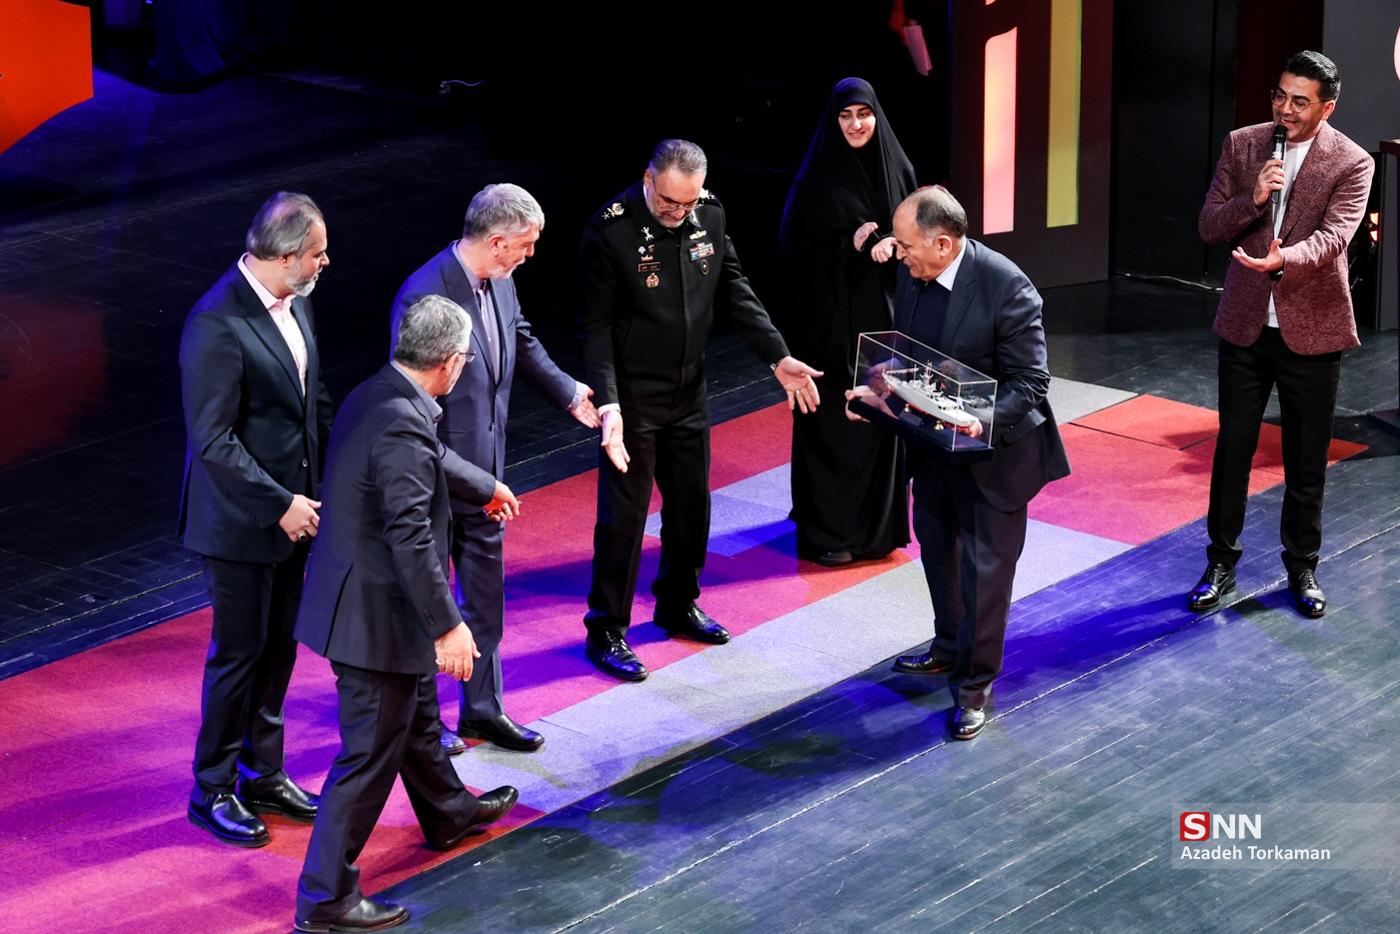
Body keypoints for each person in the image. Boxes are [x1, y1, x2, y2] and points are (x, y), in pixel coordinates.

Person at [293, 295, 520, 932]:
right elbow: (411, 537)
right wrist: (449, 625)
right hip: (372, 620)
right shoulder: (401, 422)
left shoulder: (380, 393)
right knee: (369, 756)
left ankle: (448, 811)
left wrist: (485, 485)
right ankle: (325, 898)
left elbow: (432, 458)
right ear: (450, 363)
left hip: (359, 602)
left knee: (417, 716)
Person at [578, 138, 823, 682]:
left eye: (687, 202)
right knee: (624, 519)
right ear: (649, 179)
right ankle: (606, 628)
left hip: (689, 389)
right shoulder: (610, 229)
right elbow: (595, 326)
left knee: (692, 506)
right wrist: (608, 401)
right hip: (634, 398)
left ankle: (677, 603)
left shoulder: (708, 214)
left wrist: (777, 355)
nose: (678, 213)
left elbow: (734, 286)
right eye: (669, 202)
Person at [391, 184, 599, 755]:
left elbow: (520, 340)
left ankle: (483, 709)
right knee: (428, 602)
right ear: (498, 240)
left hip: (488, 475)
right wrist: (462, 474)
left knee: (484, 599)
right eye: (526, 245)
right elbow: (411, 404)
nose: (531, 255)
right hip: (435, 478)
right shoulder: (425, 294)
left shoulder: (500, 281)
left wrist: (567, 391)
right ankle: (424, 723)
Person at [867, 186, 1069, 741]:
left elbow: (1031, 382)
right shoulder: (913, 273)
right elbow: (913, 355)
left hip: (996, 457)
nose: (898, 253)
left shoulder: (1007, 285)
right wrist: (881, 386)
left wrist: (982, 421)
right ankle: (947, 646)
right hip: (936, 448)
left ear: (943, 243)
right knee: (938, 550)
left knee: (985, 577)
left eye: (906, 245)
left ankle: (976, 686)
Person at [1188, 50, 1373, 620]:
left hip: (1312, 330)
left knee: (1306, 459)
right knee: (1232, 450)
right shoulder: (1243, 145)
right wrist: (1253, 198)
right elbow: (1209, 224)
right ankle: (1220, 563)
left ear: (1326, 107)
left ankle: (1302, 567)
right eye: (1279, 96)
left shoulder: (1352, 162)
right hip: (1245, 327)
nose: (1285, 110)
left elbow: (1335, 238)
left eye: (1299, 101)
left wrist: (1282, 259)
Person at [178, 191, 333, 847]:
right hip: (242, 522)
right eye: (318, 253)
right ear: (288, 254)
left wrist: (328, 486)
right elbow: (213, 441)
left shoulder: (297, 300)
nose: (325, 263)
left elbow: (310, 402)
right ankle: (210, 788)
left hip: (298, 513)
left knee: (279, 648)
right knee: (239, 655)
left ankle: (262, 772)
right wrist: (280, 505)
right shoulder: (216, 322)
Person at [779, 76, 917, 567]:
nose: (856, 125)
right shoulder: (815, 179)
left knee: (880, 418)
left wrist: (896, 244)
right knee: (836, 424)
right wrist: (848, 245)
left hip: (885, 323)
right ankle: (827, 531)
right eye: (846, 116)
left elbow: (921, 236)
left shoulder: (898, 168)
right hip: (828, 329)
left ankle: (878, 531)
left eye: (864, 114)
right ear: (833, 121)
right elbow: (793, 253)